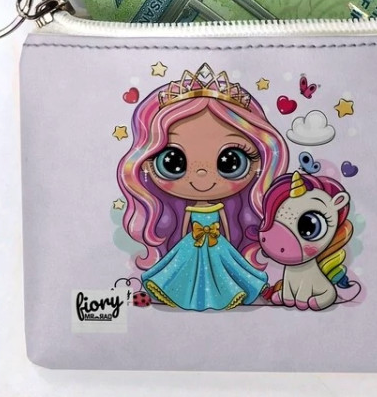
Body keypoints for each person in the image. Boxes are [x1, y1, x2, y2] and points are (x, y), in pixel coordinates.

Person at [118, 63, 290, 310]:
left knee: (222, 272)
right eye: (172, 162)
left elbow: (226, 225)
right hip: (192, 243)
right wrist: (183, 238)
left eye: (231, 161)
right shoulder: (184, 209)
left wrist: (229, 239)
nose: (201, 175)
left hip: (218, 244)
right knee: (187, 271)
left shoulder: (225, 206)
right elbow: (185, 226)